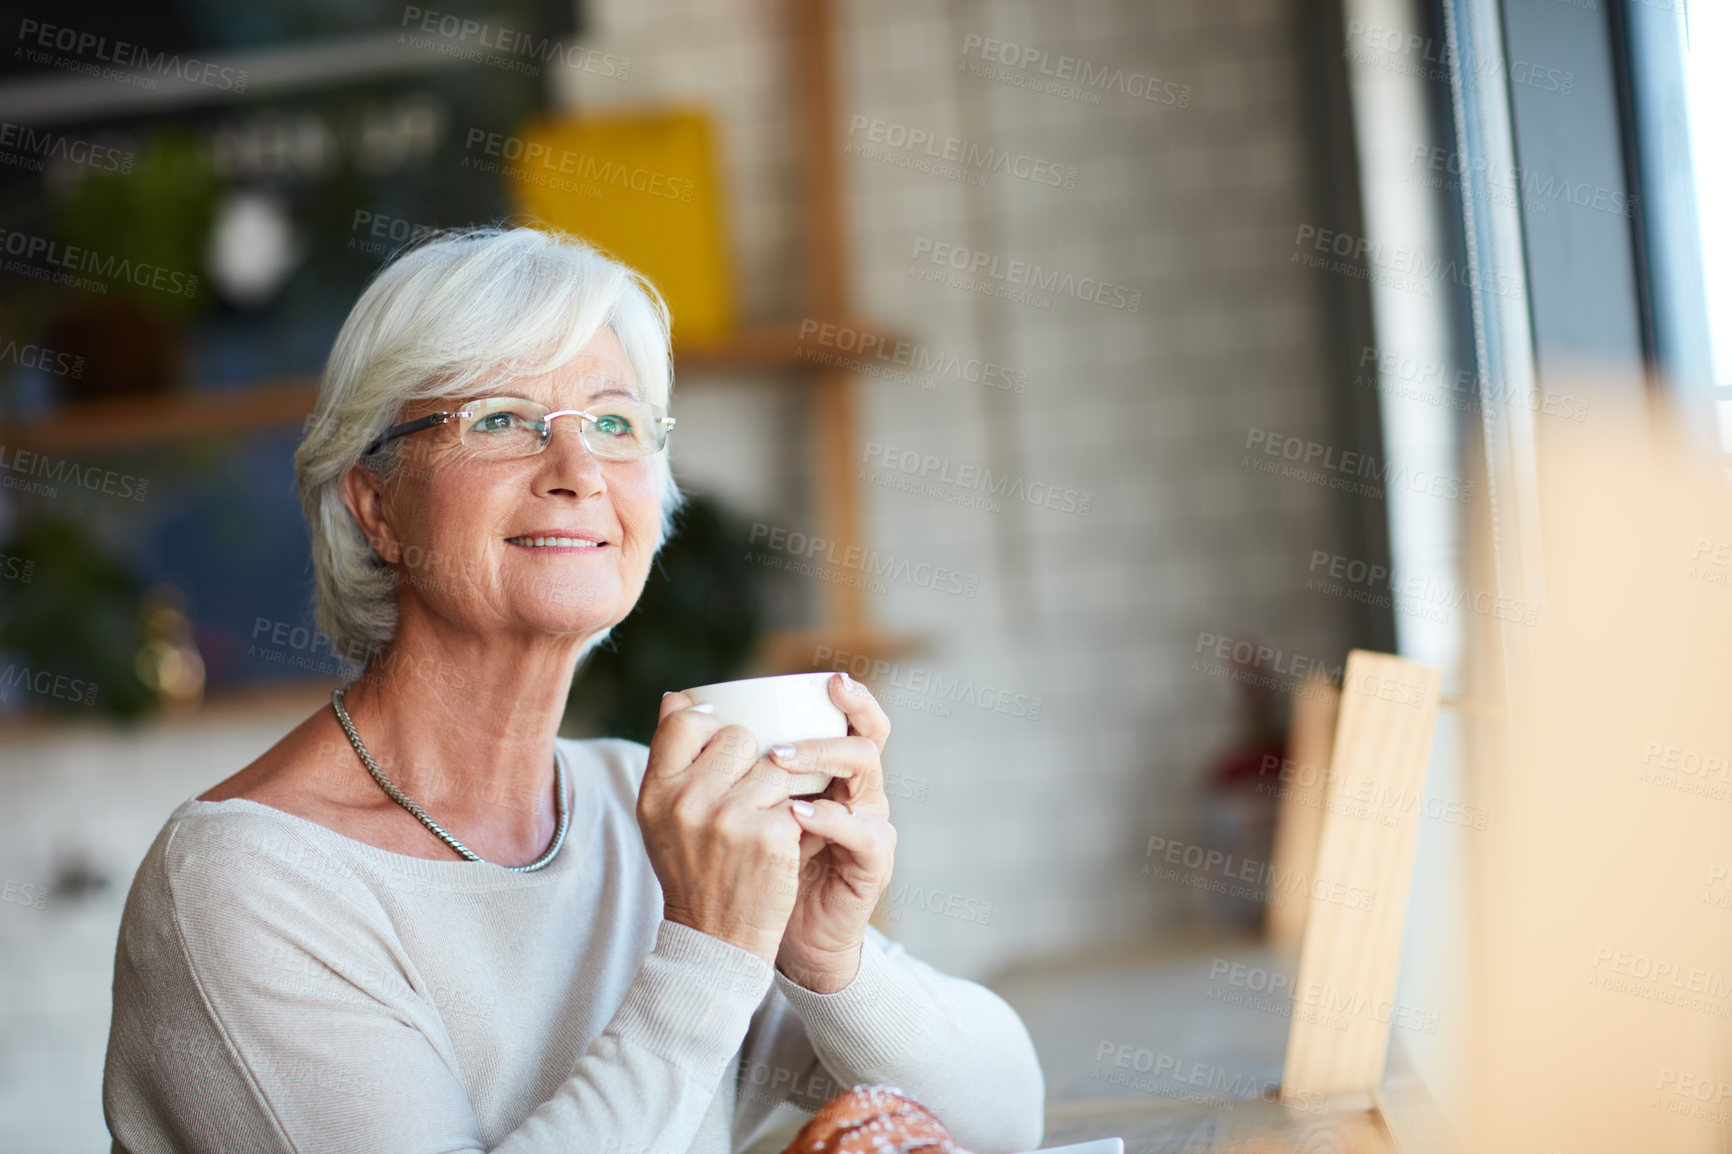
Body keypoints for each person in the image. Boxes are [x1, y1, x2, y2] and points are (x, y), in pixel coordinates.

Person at [102, 228, 1045, 1154]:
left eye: (614, 422)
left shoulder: (651, 815)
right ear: (377, 505)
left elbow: (1004, 1122)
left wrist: (826, 957)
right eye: (501, 419)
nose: (578, 472)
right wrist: (709, 956)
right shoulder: (245, 882)